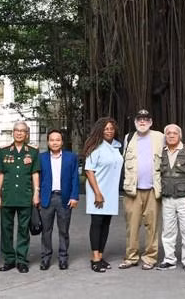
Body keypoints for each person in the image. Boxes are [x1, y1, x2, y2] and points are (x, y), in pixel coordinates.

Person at [119, 109, 165, 270]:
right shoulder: (128, 138)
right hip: (133, 190)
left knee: (152, 226)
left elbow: (176, 144)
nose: (143, 122)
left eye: (146, 119)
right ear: (135, 122)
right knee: (132, 225)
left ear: (151, 122)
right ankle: (131, 257)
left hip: (153, 189)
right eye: (140, 119)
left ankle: (150, 258)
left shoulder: (160, 136)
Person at [0, 121, 40, 273]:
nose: (19, 133)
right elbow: (0, 173)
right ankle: (9, 259)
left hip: (25, 196)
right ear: (13, 132)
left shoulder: (33, 151)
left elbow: (35, 173)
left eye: (23, 131)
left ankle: (21, 260)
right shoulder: (4, 151)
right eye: (17, 130)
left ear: (26, 134)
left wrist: (36, 193)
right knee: (6, 229)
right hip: (7, 196)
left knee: (23, 229)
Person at [156, 124, 185, 273]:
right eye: (168, 133)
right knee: (168, 231)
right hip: (167, 198)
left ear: (180, 136)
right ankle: (169, 260)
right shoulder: (161, 151)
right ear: (165, 136)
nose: (172, 135)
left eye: (175, 133)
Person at [83, 117, 123, 273]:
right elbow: (89, 171)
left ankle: (100, 254)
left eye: (111, 128)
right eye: (106, 128)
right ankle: (95, 258)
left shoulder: (116, 146)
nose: (109, 131)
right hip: (98, 191)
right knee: (97, 223)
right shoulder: (95, 147)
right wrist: (97, 193)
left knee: (106, 224)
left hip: (111, 193)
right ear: (100, 130)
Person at [38, 129, 80, 271]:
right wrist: (37, 196)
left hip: (65, 198)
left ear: (62, 142)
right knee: (46, 230)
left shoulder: (71, 157)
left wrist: (74, 196)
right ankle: (45, 258)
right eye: (52, 140)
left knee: (63, 231)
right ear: (48, 142)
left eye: (58, 140)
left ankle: (63, 258)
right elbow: (37, 179)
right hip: (46, 198)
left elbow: (75, 178)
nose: (55, 142)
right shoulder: (41, 158)